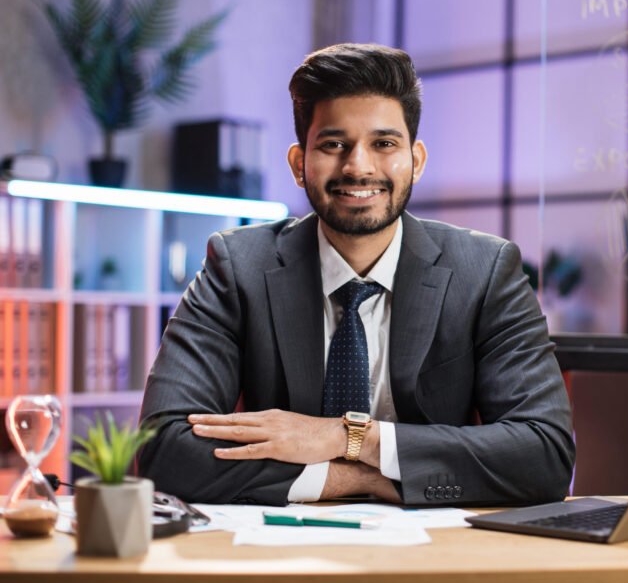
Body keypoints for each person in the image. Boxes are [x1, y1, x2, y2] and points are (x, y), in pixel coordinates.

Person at [138, 43, 575, 506]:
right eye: (332, 144)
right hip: (279, 554)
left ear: (417, 161)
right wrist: (360, 480)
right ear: (298, 165)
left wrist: (353, 438)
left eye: (384, 144)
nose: (358, 166)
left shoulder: (485, 271)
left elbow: (543, 456)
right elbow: (164, 449)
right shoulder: (237, 267)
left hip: (440, 557)